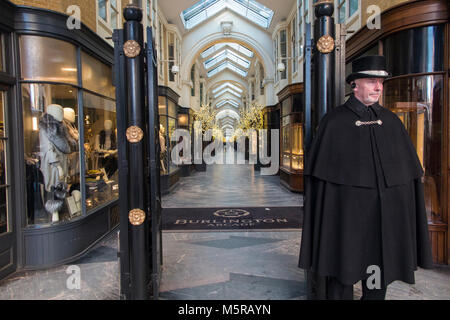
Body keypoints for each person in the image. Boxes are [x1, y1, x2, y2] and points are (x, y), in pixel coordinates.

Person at [298, 55, 433, 300]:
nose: (378, 87)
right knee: (342, 269)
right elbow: (322, 183)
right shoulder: (334, 122)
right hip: (345, 219)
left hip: (384, 220)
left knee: (378, 273)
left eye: (381, 82)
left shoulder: (391, 121)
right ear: (355, 85)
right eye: (371, 81)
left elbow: (407, 175)